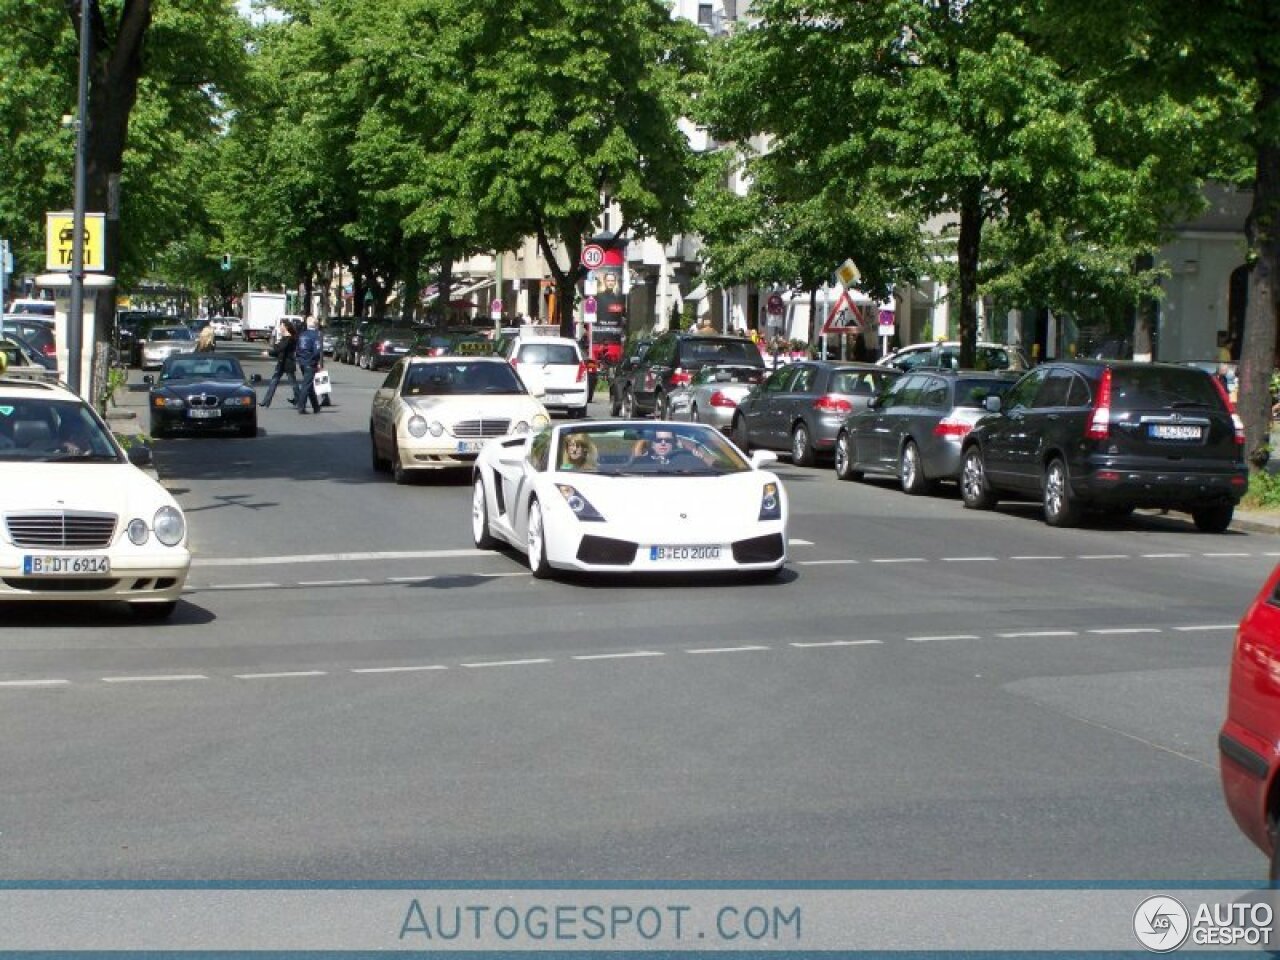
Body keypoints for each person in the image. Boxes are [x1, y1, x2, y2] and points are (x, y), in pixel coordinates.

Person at [261, 318, 300, 408]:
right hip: (281, 363)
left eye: (281, 326)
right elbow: (279, 351)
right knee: (273, 382)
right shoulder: (285, 338)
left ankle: (299, 399)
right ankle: (266, 401)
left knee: (293, 383)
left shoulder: (289, 338)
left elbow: (279, 349)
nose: (280, 327)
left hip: (288, 363)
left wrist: (269, 351)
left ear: (285, 327)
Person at [295, 316, 324, 414]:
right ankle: (301, 406)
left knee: (309, 384)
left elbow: (297, 348)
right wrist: (317, 362)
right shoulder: (316, 335)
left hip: (302, 362)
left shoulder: (302, 334)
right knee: (306, 385)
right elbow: (317, 351)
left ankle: (316, 406)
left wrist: (299, 358)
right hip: (310, 362)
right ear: (315, 324)